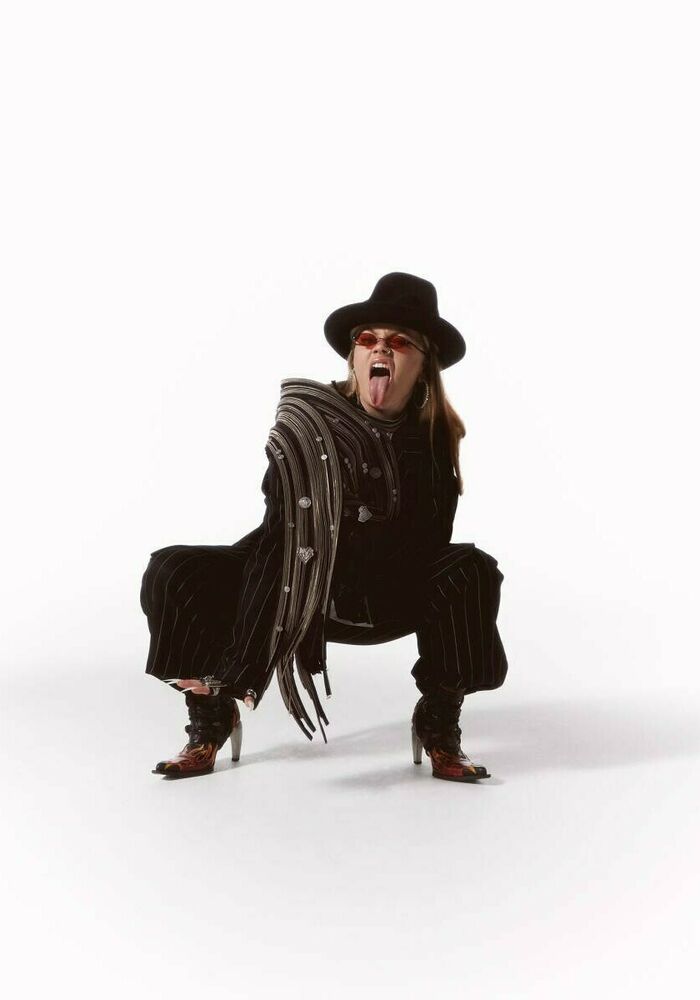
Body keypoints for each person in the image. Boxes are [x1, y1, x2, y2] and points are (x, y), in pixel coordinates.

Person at [140, 271, 508, 782]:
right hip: (291, 574)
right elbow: (279, 531)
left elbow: (429, 544)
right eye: (369, 339)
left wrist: (361, 522)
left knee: (472, 570)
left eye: (401, 342)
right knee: (175, 569)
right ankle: (211, 714)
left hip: (384, 587)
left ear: (424, 366)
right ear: (354, 356)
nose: (382, 348)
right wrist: (242, 662)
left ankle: (438, 721)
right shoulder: (308, 423)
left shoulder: (432, 442)